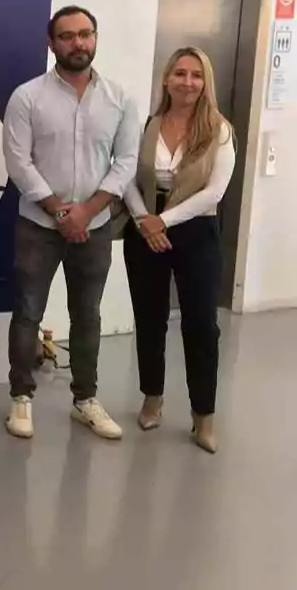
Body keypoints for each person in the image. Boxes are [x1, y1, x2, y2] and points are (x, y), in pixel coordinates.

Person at [2, 5, 140, 441]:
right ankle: (21, 399)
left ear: (95, 38)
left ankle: (85, 400)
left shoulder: (120, 98)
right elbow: (18, 162)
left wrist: (87, 210)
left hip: (95, 227)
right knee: (27, 313)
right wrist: (61, 211)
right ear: (52, 43)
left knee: (88, 315)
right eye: (68, 36)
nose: (78, 43)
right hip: (38, 227)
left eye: (86, 34)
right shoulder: (28, 97)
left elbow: (127, 162)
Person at [123, 47, 233, 454]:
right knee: (149, 320)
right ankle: (152, 397)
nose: (188, 82)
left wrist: (162, 221)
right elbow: (126, 177)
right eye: (180, 73)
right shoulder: (147, 124)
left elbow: (214, 193)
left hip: (195, 233)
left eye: (196, 75)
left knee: (201, 326)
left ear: (206, 83)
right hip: (145, 231)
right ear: (167, 79)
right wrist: (142, 220)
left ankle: (203, 417)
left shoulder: (219, 130)